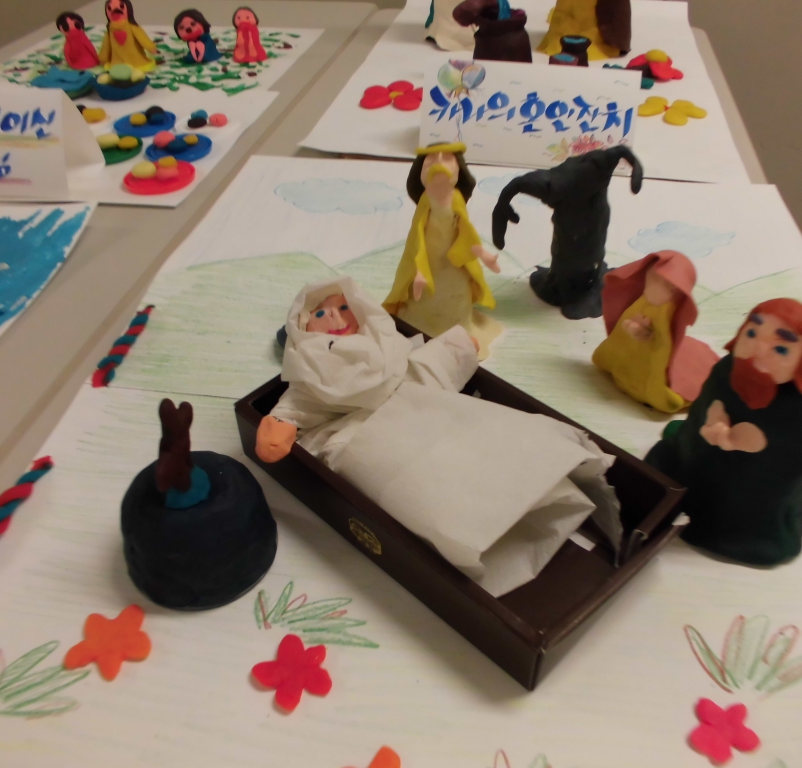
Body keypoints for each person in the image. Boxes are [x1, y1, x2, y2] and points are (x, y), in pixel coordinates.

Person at [257, 278, 621, 597]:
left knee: (495, 449)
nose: (335, 318)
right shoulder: (310, 371)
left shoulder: (387, 342)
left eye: (342, 307)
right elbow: (298, 404)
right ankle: (474, 527)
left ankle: (537, 486)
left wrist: (456, 349)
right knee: (432, 489)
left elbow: (422, 367)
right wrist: (281, 425)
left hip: (429, 408)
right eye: (320, 314)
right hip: (365, 436)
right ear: (302, 328)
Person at [645, 298, 802, 565]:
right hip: (705, 460)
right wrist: (713, 419)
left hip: (762, 486)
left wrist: (754, 442)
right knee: (689, 461)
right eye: (751, 333)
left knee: (746, 504)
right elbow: (706, 408)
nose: (758, 350)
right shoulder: (728, 368)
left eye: (780, 349)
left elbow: (800, 458)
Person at [492, 146, 643, 319]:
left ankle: (587, 282)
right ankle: (567, 285)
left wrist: (635, 169)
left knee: (589, 251)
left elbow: (621, 152)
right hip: (570, 234)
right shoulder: (560, 184)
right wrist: (504, 202)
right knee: (571, 255)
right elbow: (520, 184)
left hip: (592, 229)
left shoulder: (597, 166)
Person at [383, 142, 502, 360]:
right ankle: (421, 329)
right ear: (420, 172)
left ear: (459, 170)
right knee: (423, 303)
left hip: (454, 267)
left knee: (453, 300)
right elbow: (416, 240)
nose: (438, 163)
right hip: (429, 264)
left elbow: (466, 233)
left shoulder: (456, 200)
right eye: (430, 160)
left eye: (447, 158)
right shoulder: (425, 202)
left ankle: (457, 334)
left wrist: (483, 255)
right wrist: (420, 271)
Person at [592, 250, 718, 412]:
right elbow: (624, 328)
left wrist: (644, 334)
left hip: (650, 366)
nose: (656, 285)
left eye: (668, 284)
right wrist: (629, 328)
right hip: (626, 354)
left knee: (668, 397)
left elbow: (660, 347)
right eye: (652, 276)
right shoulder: (642, 303)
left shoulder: (665, 314)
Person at [98, 0, 157, 71]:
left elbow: (142, 37)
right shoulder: (110, 29)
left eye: (121, 6)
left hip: (136, 61)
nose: (115, 11)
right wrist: (103, 58)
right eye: (109, 8)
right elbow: (106, 45)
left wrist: (151, 48)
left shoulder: (132, 26)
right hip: (116, 62)